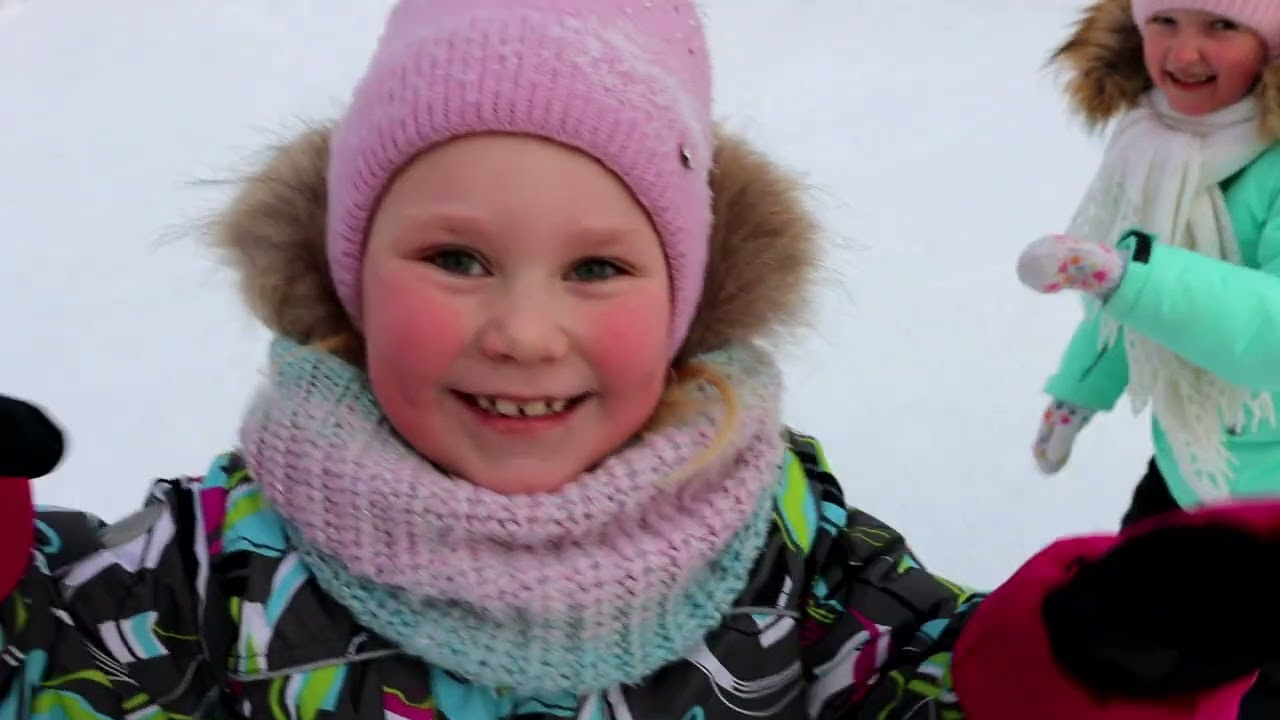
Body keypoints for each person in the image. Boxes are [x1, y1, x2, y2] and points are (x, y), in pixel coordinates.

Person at [4, 0, 1280, 717]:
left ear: (685, 300)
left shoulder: (778, 532)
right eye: (452, 258)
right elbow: (49, 657)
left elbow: (911, 683)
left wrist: (1070, 663)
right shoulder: (210, 563)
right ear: (345, 271)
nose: (521, 330)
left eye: (598, 267)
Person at [1016, 1, 1280, 715]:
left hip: (1273, 513)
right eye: (1165, 20)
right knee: (1132, 662)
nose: (1183, 53)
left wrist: (1132, 276)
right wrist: (1080, 391)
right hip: (1191, 467)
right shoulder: (1157, 143)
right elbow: (1140, 313)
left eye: (1222, 26)